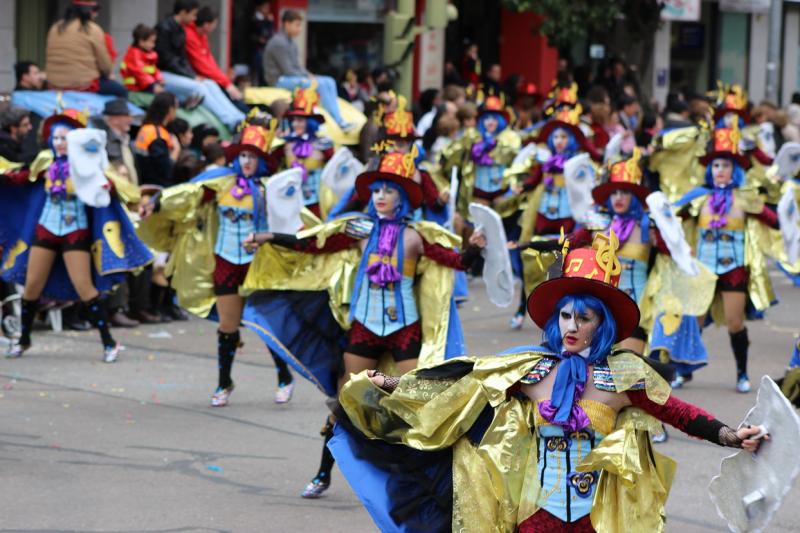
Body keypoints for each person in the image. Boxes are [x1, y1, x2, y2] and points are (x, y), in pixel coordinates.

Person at [330, 231, 766, 532]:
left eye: (585, 317)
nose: (572, 326)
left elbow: (681, 413)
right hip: (535, 510)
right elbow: (462, 384)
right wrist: (392, 383)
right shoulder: (530, 369)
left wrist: (730, 435)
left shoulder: (625, 375)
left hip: (598, 516)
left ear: (604, 324)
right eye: (565, 315)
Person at [243, 147, 486, 498]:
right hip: (365, 328)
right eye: (376, 191)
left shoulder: (416, 236)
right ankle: (323, 474)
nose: (380, 197)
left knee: (413, 401)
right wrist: (268, 237)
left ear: (401, 195)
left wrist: (475, 248)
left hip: (405, 328)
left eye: (388, 190)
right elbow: (315, 243)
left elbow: (457, 262)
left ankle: (418, 483)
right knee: (344, 402)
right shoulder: (360, 229)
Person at [139, 121, 291, 406]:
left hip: (258, 265)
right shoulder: (220, 183)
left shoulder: (270, 189)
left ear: (262, 160)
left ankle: (284, 375)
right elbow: (188, 194)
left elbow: (290, 221)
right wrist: (157, 203)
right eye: (243, 155)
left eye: (253, 155)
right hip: (225, 260)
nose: (247, 161)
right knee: (228, 325)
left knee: (264, 326)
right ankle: (224, 382)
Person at [1, 109, 152, 361]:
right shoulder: (44, 161)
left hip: (75, 230)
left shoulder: (88, 164)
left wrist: (108, 185)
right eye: (56, 138)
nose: (60, 143)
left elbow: (122, 189)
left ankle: (108, 343)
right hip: (45, 228)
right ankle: (23, 340)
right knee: (31, 286)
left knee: (85, 287)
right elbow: (24, 178)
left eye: (65, 138)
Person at [672, 121, 780, 393]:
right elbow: (670, 218)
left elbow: (774, 220)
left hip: (734, 268)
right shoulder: (699, 197)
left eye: (727, 165)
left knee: (735, 322)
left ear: (736, 169)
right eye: (716, 165)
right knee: (693, 321)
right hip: (703, 268)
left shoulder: (745, 199)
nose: (721, 171)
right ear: (710, 169)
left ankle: (742, 374)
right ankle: (684, 371)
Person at [156, 0, 245, 129]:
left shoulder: (180, 29)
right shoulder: (165, 28)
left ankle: (238, 118)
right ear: (183, 12)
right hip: (162, 75)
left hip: (175, 73)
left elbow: (181, 60)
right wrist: (192, 76)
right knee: (198, 87)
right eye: (193, 14)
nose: (195, 18)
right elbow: (168, 60)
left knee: (210, 83)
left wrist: (192, 75)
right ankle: (230, 121)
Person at [263, 10, 352, 130]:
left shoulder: (291, 42)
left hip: (292, 77)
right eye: (297, 25)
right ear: (287, 24)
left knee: (328, 80)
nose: (300, 29)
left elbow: (298, 67)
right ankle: (339, 121)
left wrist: (310, 75)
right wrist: (308, 77)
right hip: (279, 80)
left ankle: (337, 116)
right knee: (318, 83)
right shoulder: (278, 42)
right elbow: (288, 70)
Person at [274, 83, 333, 217]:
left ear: (310, 122)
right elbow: (271, 165)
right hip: (292, 201)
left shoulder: (323, 144)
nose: (295, 124)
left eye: (300, 120)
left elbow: (335, 171)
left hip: (317, 202)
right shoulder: (286, 144)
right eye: (293, 120)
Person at [45, 0, 127, 97]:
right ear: (87, 11)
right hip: (83, 84)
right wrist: (108, 74)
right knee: (122, 91)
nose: (96, 14)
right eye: (95, 10)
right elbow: (105, 66)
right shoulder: (92, 29)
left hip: (53, 84)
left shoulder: (55, 27)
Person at [183, 6, 245, 105]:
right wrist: (225, 83)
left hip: (204, 77)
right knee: (223, 93)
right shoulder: (189, 35)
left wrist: (225, 81)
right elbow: (202, 65)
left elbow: (210, 61)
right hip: (196, 77)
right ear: (207, 25)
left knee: (231, 95)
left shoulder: (202, 36)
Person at [133, 92, 180, 188]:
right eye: (176, 108)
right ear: (170, 109)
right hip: (156, 188)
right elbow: (166, 170)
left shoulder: (145, 128)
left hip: (143, 181)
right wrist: (176, 150)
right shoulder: (158, 136)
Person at [120, 24, 165, 93]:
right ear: (141, 42)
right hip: (134, 90)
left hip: (146, 87)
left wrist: (159, 79)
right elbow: (139, 73)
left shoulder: (148, 54)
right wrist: (152, 86)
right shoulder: (133, 54)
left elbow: (154, 69)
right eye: (151, 41)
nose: (153, 45)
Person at [250, 0, 275, 86]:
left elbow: (270, 34)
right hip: (257, 50)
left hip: (265, 50)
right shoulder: (254, 19)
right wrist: (258, 39)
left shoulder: (267, 20)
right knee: (257, 73)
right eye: (265, 7)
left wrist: (270, 22)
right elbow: (252, 34)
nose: (267, 10)